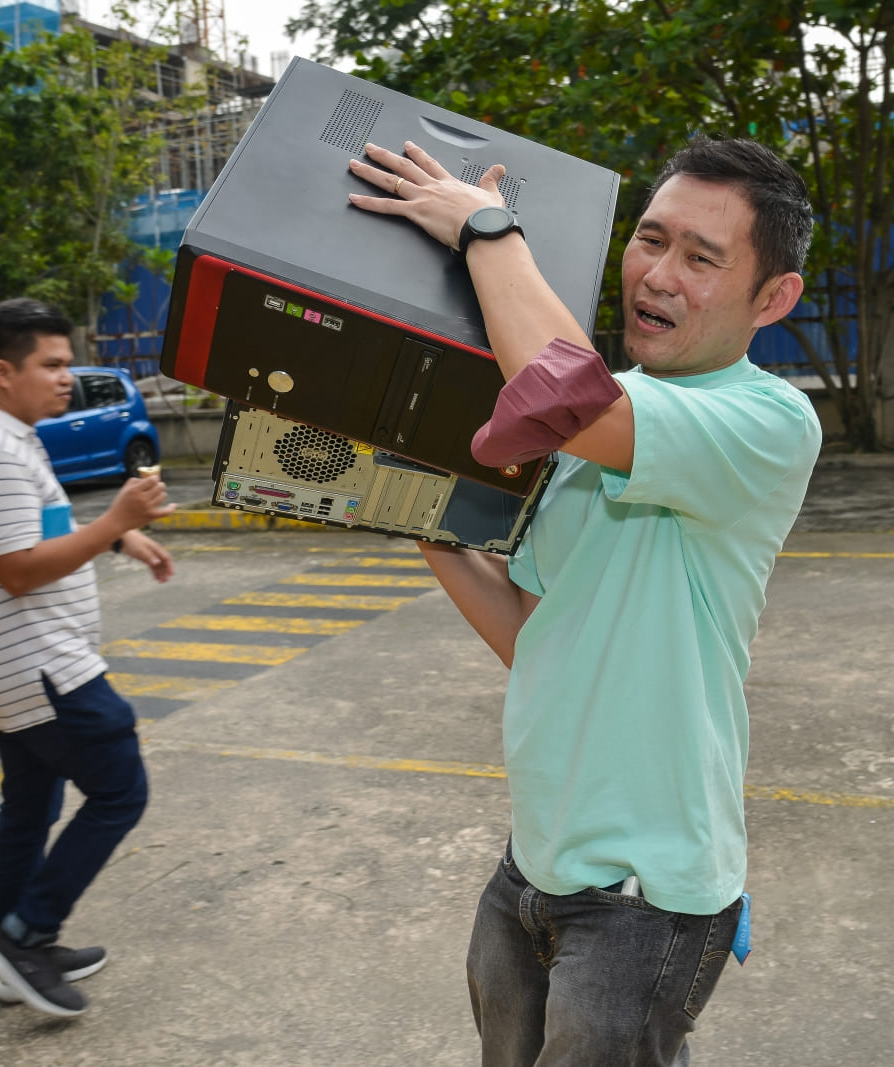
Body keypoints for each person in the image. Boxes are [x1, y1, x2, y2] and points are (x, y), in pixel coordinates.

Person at [346, 134, 823, 1064]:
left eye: (702, 257)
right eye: (651, 239)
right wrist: (414, 513)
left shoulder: (767, 421)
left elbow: (562, 396)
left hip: (648, 893)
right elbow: (537, 633)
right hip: (533, 861)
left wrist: (486, 230)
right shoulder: (606, 412)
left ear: (774, 298)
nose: (660, 274)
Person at [0, 297, 177, 1018]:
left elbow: (34, 529)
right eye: (53, 364)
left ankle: (16, 948)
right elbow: (14, 567)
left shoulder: (9, 437)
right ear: (3, 371)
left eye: (67, 363)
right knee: (119, 788)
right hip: (41, 665)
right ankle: (26, 935)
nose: (67, 377)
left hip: (16, 664)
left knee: (29, 805)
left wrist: (115, 537)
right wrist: (117, 517)